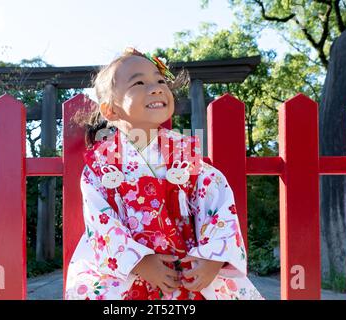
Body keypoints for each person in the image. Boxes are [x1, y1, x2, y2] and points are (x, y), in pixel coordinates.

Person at [65, 48, 264, 300]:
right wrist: (139, 262)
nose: (157, 88)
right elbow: (99, 219)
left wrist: (214, 258)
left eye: (160, 81)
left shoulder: (183, 153)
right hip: (128, 271)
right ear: (111, 110)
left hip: (186, 265)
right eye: (139, 82)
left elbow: (217, 199)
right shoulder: (102, 165)